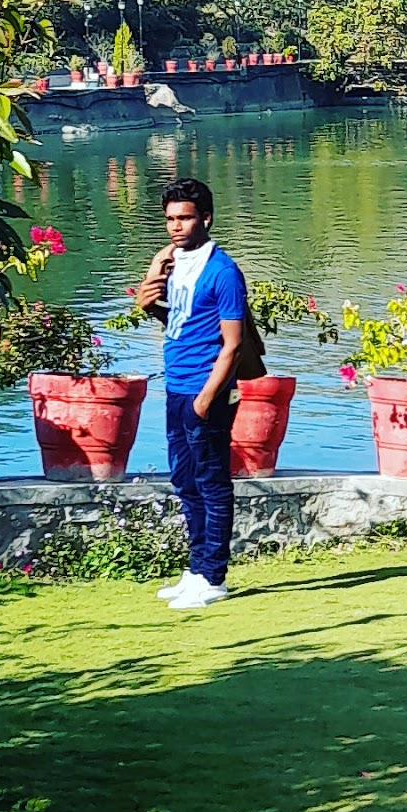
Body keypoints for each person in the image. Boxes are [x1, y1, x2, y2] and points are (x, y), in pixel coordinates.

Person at [134, 178, 247, 610]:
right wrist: (152, 305)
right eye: (170, 219)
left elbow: (232, 345)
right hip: (177, 386)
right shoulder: (177, 265)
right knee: (184, 480)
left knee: (211, 482)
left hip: (205, 391)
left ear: (206, 218)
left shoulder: (222, 272)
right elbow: (181, 323)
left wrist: (205, 399)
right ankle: (197, 569)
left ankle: (213, 577)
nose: (176, 227)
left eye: (184, 218)